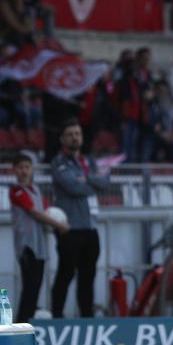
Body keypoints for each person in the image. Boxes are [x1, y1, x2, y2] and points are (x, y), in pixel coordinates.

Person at [50, 119, 110, 318]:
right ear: (62, 139)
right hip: (69, 228)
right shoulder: (59, 162)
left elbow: (106, 181)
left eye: (77, 133)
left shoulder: (89, 161)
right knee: (66, 274)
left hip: (90, 228)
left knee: (88, 276)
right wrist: (91, 181)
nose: (75, 137)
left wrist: (86, 179)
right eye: (70, 134)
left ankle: (86, 319)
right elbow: (72, 187)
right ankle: (57, 316)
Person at [10, 153, 70, 322]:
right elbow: (35, 213)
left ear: (32, 169)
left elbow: (46, 211)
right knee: (29, 286)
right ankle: (21, 322)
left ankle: (29, 318)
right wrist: (59, 225)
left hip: (40, 246)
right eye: (20, 167)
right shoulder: (16, 191)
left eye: (27, 167)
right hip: (26, 246)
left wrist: (58, 220)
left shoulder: (36, 190)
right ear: (15, 170)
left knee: (36, 286)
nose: (24, 171)